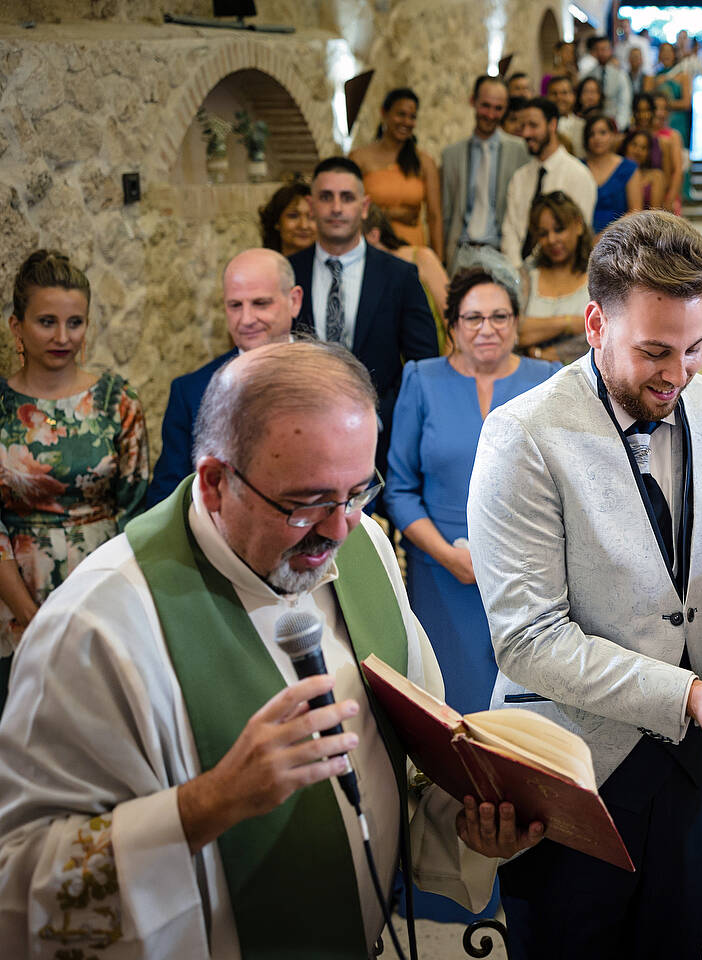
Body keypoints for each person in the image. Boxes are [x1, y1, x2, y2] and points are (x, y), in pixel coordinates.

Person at [0, 340, 540, 954]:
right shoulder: (99, 625)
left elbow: (406, 766)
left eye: (358, 492)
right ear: (213, 483)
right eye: (306, 502)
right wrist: (210, 803)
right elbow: (19, 885)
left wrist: (470, 821)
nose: (338, 530)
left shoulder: (366, 550)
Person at [468, 211, 702, 958]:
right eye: (654, 352)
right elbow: (527, 639)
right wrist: (689, 695)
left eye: (695, 348)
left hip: (692, 767)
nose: (678, 377)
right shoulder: (523, 435)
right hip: (573, 768)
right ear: (594, 322)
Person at [386, 268, 560, 719]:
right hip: (442, 572)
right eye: (473, 318)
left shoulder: (550, 379)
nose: (487, 329)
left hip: (528, 574)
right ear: (453, 326)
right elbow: (400, 489)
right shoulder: (420, 380)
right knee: (451, 705)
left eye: (500, 316)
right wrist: (446, 555)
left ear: (517, 322)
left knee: (527, 709)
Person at [0, 250, 149, 702]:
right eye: (47, 322)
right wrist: (28, 612)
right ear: (16, 327)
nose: (63, 337)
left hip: (103, 584)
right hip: (14, 592)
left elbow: (135, 507)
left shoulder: (118, 401)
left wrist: (107, 595)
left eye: (76, 323)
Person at [290, 156, 440, 477]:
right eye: (326, 197)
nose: (336, 207)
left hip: (381, 442)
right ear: (311, 205)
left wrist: (385, 415)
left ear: (364, 205)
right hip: (300, 434)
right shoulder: (289, 273)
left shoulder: (399, 276)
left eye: (347, 197)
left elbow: (423, 362)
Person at [149, 249, 298, 508]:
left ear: (294, 301)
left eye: (261, 303)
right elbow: (167, 499)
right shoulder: (191, 392)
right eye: (235, 305)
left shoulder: (337, 376)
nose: (247, 319)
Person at [441, 75, 531, 276]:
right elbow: (446, 213)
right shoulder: (451, 155)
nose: (491, 114)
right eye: (485, 106)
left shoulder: (519, 151)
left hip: (502, 254)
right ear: (472, 101)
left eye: (498, 108)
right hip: (461, 254)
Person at [500, 97, 597, 268]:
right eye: (523, 126)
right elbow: (511, 231)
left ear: (552, 124)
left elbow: (577, 234)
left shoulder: (578, 175)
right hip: (517, 272)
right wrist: (517, 271)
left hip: (559, 271)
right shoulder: (520, 177)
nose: (526, 133)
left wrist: (534, 270)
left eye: (533, 126)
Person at [351, 87, 443, 252]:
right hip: (371, 245)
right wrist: (392, 214)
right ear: (384, 113)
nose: (406, 122)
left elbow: (434, 216)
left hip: (412, 247)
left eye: (412, 117)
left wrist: (439, 259)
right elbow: (351, 207)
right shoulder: (359, 158)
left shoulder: (424, 162)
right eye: (401, 114)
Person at [517, 191, 594, 364]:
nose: (552, 240)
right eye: (543, 234)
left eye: (559, 230)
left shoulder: (598, 276)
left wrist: (541, 354)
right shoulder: (526, 276)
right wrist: (568, 323)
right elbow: (513, 331)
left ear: (579, 225)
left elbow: (601, 336)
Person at [364, 207, 450, 348]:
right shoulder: (366, 275)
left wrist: (445, 366)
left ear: (374, 235)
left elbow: (452, 320)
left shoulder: (422, 258)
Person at [584, 115, 641, 233]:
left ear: (613, 136)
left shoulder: (629, 168)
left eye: (602, 133)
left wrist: (605, 235)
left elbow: (635, 212)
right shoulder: (579, 167)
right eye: (591, 134)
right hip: (582, 236)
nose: (597, 138)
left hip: (619, 237)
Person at [584, 36, 633, 132]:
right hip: (594, 125)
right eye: (597, 49)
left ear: (610, 50)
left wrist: (617, 126)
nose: (601, 53)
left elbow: (625, 103)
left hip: (615, 124)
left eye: (604, 49)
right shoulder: (590, 75)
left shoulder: (620, 75)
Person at [257, 179, 315, 256]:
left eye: (312, 217)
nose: (304, 226)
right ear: (277, 222)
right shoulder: (260, 265)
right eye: (293, 216)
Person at [623, 129, 666, 210]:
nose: (638, 151)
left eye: (643, 148)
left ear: (648, 153)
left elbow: (655, 213)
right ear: (626, 146)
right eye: (634, 145)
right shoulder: (614, 172)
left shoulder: (656, 176)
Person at [546, 74, 585, 155]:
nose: (559, 97)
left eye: (564, 93)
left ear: (573, 96)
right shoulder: (542, 126)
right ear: (547, 97)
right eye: (554, 93)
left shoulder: (583, 126)